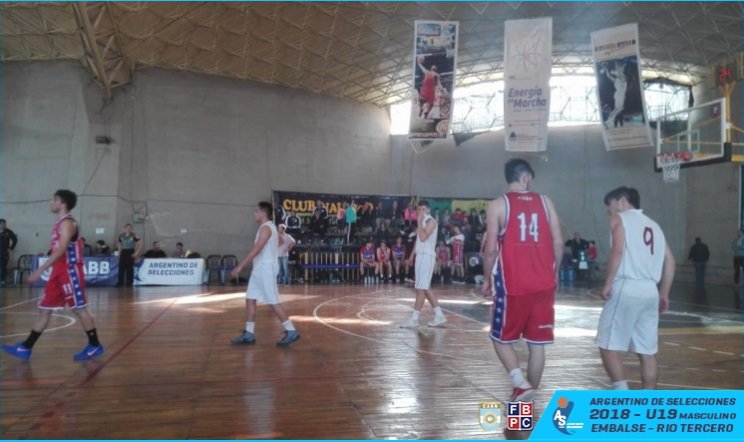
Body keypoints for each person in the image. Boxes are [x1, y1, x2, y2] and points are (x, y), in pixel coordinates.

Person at [481, 159, 563, 402]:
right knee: (537, 345)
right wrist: (555, 272)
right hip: (544, 284)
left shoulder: (497, 205)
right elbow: (559, 243)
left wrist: (486, 279)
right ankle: (528, 398)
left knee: (500, 338)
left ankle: (520, 383)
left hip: (513, 285)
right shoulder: (546, 202)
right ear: (526, 177)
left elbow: (490, 250)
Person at [2, 190, 104, 361]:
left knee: (79, 309)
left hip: (70, 270)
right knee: (45, 309)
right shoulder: (59, 223)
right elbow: (57, 250)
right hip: (58, 271)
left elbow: (62, 250)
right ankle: (25, 348)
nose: (51, 202)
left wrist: (39, 270)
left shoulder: (68, 223)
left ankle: (95, 345)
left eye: (54, 199)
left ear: (62, 203)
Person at [597, 187, 675, 390]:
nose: (608, 210)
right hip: (650, 291)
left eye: (610, 204)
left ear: (622, 201)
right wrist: (664, 293)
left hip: (627, 286)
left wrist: (608, 282)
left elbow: (618, 250)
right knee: (647, 351)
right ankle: (647, 400)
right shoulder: (654, 225)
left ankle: (622, 396)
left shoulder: (619, 219)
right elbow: (670, 260)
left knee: (607, 345)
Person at [230, 201, 300, 347]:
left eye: (256, 211)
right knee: (250, 298)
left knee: (273, 300)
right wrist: (272, 251)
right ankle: (249, 333)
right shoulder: (267, 228)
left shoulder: (266, 228)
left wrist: (240, 267)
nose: (254, 213)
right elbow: (280, 241)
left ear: (263, 213)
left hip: (265, 268)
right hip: (260, 267)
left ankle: (291, 330)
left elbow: (257, 249)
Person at [401, 200, 447, 328]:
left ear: (428, 210)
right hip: (421, 256)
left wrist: (418, 223)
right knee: (421, 288)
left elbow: (423, 237)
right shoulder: (422, 222)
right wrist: (411, 256)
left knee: (424, 287)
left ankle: (437, 315)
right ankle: (416, 319)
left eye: (423, 209)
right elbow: (418, 241)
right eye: (419, 209)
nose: (420, 211)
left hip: (427, 256)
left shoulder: (431, 221)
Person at [0, 218, 18, 286]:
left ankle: (2, 280)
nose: (3, 225)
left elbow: (15, 240)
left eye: (4, 224)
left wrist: (11, 248)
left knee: (3, 266)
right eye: (2, 224)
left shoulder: (8, 232)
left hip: (5, 252)